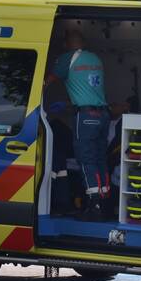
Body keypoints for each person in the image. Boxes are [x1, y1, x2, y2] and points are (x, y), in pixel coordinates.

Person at [46, 28, 109, 221]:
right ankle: (105, 203)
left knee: (85, 160)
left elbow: (48, 81)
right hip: (102, 115)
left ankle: (93, 206)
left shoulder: (67, 58)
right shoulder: (95, 59)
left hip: (85, 117)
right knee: (99, 159)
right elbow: (87, 89)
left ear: (67, 45)